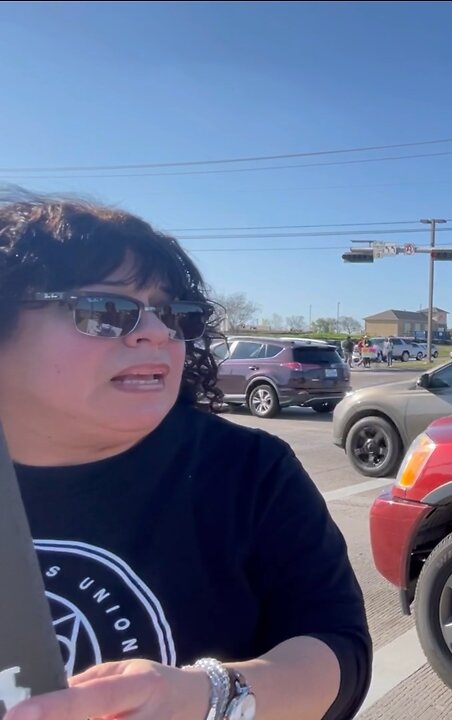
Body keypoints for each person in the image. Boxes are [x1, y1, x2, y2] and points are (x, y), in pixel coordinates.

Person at [0, 194, 371, 720]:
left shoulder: (248, 469)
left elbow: (338, 646)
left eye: (172, 314)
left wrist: (213, 696)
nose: (155, 332)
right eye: (106, 311)